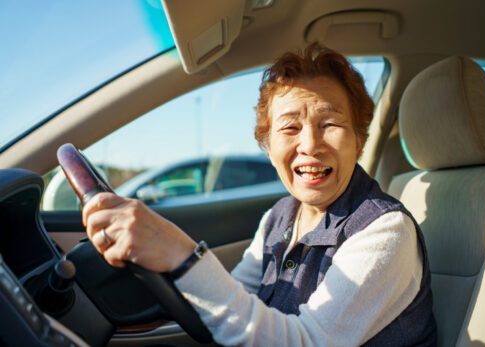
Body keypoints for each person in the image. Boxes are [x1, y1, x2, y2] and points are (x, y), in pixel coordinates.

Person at [83, 44, 437, 346]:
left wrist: (180, 253)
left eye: (330, 124)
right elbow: (235, 299)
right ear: (268, 148)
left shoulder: (386, 230)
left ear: (359, 142)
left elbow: (306, 341)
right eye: (290, 128)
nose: (310, 145)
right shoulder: (280, 216)